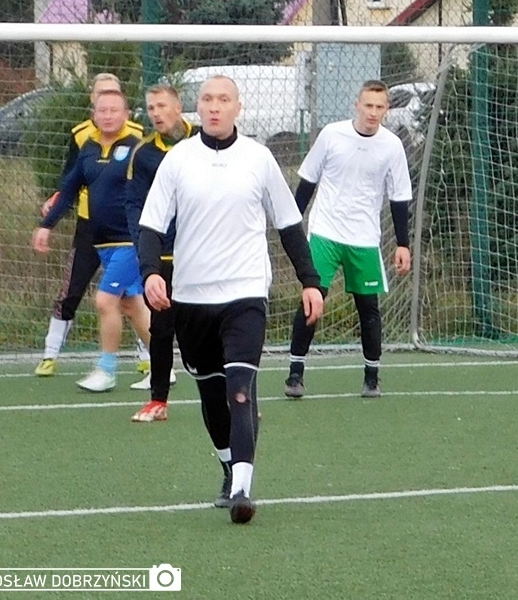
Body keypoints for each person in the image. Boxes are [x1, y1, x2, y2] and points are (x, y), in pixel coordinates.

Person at [137, 75, 324, 524]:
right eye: (207, 99)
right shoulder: (179, 160)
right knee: (211, 392)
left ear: (238, 107)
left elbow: (288, 225)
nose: (215, 106)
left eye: (224, 99)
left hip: (245, 293)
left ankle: (242, 489)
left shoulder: (259, 158)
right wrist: (150, 274)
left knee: (240, 389)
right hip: (192, 298)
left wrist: (310, 281)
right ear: (197, 108)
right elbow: (151, 227)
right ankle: (227, 467)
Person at [283, 79, 412, 399]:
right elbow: (307, 181)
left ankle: (372, 377)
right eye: (368, 105)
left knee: (368, 308)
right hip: (325, 232)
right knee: (313, 299)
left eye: (379, 107)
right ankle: (295, 374)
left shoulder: (392, 146)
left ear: (387, 109)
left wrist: (403, 243)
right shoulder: (332, 134)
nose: (373, 112)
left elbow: (399, 196)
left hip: (364, 238)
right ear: (357, 105)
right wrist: (292, 227)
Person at [33, 90, 152, 393]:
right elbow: (68, 191)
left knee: (105, 301)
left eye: (114, 110)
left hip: (130, 241)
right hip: (101, 242)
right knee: (132, 305)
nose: (108, 115)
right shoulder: (88, 148)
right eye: (102, 110)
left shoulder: (138, 149)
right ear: (94, 115)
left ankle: (106, 370)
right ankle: (162, 365)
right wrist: (46, 225)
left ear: (126, 115)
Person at [124, 84, 196, 423]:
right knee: (162, 329)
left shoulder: (202, 142)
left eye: (162, 106)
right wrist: (144, 247)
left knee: (210, 328)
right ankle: (158, 400)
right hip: (164, 256)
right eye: (151, 107)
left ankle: (236, 397)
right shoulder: (144, 154)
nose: (155, 113)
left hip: (202, 254)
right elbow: (134, 204)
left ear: (178, 107)